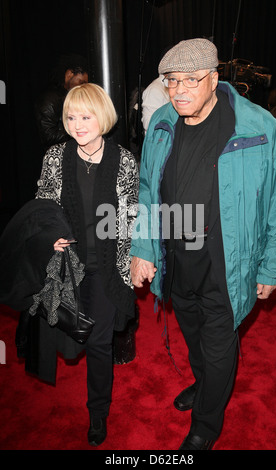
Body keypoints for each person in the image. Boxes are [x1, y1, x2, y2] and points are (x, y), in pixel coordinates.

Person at [130, 39, 276, 450]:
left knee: (220, 341)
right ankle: (205, 385)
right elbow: (149, 189)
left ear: (214, 79)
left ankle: (207, 422)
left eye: (191, 80)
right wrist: (144, 247)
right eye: (171, 81)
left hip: (229, 260)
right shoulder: (162, 123)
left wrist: (273, 267)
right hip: (176, 257)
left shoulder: (259, 127)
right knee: (191, 330)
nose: (179, 90)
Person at [36, 83, 139, 446]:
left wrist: (137, 262)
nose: (78, 124)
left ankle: (98, 411)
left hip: (109, 270)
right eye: (71, 117)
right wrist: (50, 234)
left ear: (103, 117)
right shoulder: (55, 157)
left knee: (98, 343)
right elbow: (44, 205)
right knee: (68, 335)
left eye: (86, 115)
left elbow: (131, 219)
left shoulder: (123, 160)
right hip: (69, 268)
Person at [35, 54, 89, 149]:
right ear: (69, 75)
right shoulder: (50, 99)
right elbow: (48, 136)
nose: (83, 87)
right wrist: (76, 130)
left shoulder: (73, 97)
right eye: (81, 82)